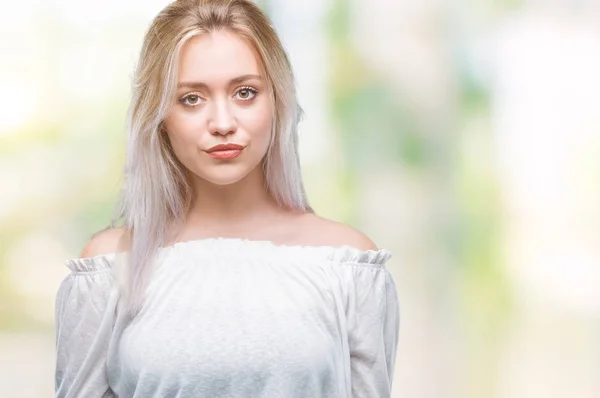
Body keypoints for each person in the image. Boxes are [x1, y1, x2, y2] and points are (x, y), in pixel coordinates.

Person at [54, 0, 400, 397]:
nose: (222, 124)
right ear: (159, 115)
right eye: (191, 99)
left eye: (245, 92)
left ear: (278, 101)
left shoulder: (347, 264)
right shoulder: (109, 267)